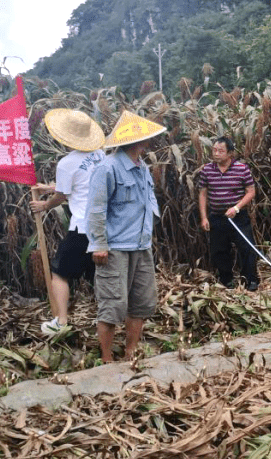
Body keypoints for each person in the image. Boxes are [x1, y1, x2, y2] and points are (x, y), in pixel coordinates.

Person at [86, 110, 165, 362]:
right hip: (115, 247)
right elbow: (96, 209)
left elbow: (147, 204)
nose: (148, 142)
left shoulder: (142, 169)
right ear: (136, 141)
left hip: (141, 245)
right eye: (145, 139)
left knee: (141, 301)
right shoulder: (107, 168)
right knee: (112, 304)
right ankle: (107, 358)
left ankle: (131, 351)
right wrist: (98, 244)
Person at [30, 109, 106, 335]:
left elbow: (63, 196)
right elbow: (81, 184)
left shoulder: (66, 163)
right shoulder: (100, 154)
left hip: (82, 227)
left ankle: (61, 322)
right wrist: (50, 187)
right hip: (104, 227)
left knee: (60, 272)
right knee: (99, 275)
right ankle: (107, 318)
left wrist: (44, 205)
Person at [197, 136, 260, 291]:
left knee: (246, 247)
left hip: (238, 217)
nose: (216, 153)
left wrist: (236, 208)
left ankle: (250, 280)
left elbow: (251, 192)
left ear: (230, 153)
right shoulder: (207, 170)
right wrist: (204, 217)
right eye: (214, 150)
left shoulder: (241, 169)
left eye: (220, 151)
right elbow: (203, 194)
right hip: (217, 217)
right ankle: (226, 280)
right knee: (219, 250)